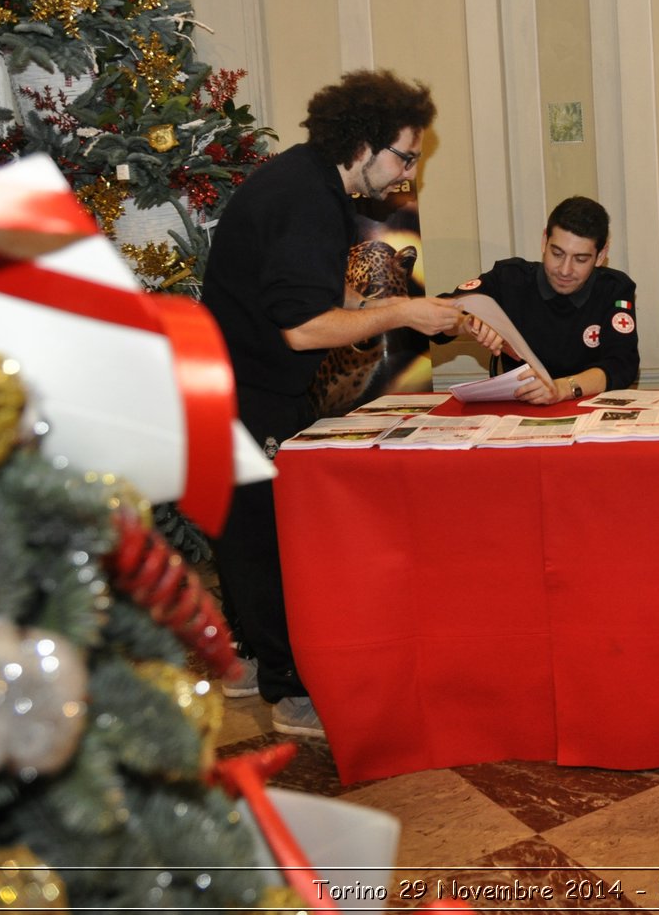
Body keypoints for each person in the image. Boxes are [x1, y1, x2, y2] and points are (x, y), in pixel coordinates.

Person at [203, 69, 501, 738]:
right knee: (268, 543)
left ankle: (252, 660)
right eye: (405, 154)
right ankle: (289, 690)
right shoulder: (304, 197)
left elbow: (316, 300)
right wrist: (400, 308)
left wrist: (418, 310)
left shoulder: (312, 183)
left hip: (242, 384)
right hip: (240, 390)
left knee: (254, 536)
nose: (410, 172)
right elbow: (303, 327)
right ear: (363, 145)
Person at [447, 195, 638, 404]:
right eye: (557, 253)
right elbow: (445, 310)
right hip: (520, 411)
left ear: (601, 256)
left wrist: (562, 388)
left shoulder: (614, 289)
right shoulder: (510, 278)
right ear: (544, 240)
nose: (565, 270)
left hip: (588, 410)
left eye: (580, 259)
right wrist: (466, 323)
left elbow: (622, 365)